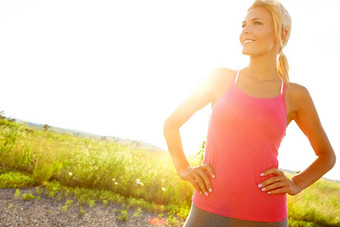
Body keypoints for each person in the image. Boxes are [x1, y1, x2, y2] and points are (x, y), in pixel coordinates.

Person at [163, 0, 336, 226]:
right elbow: (171, 124)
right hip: (208, 210)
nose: (246, 29)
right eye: (244, 24)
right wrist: (184, 169)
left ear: (281, 34)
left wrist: (295, 183)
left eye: (257, 23)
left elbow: (327, 156)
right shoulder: (220, 78)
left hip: (267, 216)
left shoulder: (296, 95)